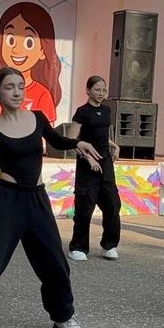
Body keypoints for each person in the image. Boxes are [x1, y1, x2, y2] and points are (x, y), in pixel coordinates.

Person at [0, 67, 101, 328]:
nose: (16, 92)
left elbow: (57, 140)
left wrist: (79, 143)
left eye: (20, 86)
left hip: (37, 199)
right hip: (8, 201)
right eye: (9, 87)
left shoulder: (37, 117)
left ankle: (62, 316)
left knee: (55, 262)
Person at [66, 75, 122, 262]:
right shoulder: (82, 112)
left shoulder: (106, 111)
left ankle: (109, 245)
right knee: (85, 206)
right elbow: (71, 141)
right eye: (97, 90)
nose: (101, 93)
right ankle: (78, 247)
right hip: (87, 165)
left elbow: (101, 135)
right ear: (88, 90)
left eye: (104, 90)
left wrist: (114, 145)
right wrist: (88, 158)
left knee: (112, 204)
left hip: (105, 163)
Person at [0, 3, 63, 123]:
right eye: (10, 40)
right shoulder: (2, 91)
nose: (16, 50)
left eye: (29, 42)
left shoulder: (43, 94)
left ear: (43, 51)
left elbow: (48, 128)